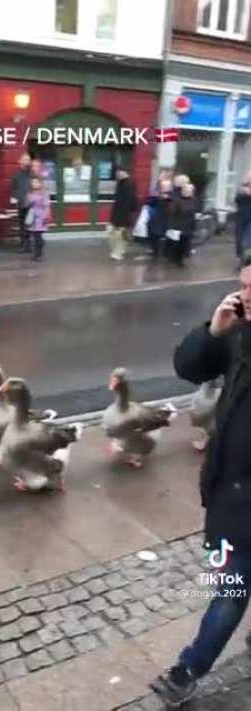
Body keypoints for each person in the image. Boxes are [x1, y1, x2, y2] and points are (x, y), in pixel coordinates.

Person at [151, 255, 251, 707]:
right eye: (243, 285)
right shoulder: (236, 330)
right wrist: (214, 331)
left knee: (232, 589)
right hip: (230, 487)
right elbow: (189, 368)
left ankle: (186, 671)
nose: (246, 295)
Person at [109, 168, 137, 261]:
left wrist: (124, 217)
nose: (117, 175)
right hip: (119, 214)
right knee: (117, 234)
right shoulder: (121, 183)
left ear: (125, 172)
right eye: (117, 173)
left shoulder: (129, 184)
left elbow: (128, 202)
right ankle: (119, 251)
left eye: (119, 173)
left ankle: (118, 253)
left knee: (119, 235)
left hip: (123, 215)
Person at [167, 181, 198, 267]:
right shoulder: (177, 200)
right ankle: (176, 260)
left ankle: (180, 259)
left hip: (189, 225)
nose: (187, 192)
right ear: (182, 191)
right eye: (186, 190)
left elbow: (195, 210)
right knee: (178, 244)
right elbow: (171, 212)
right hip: (178, 225)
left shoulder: (194, 200)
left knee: (186, 243)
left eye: (189, 191)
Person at [25, 176, 50, 262]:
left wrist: (46, 216)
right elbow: (27, 203)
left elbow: (47, 205)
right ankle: (37, 252)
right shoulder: (30, 193)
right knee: (35, 236)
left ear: (40, 183)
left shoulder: (44, 193)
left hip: (41, 215)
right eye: (33, 182)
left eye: (36, 182)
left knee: (38, 235)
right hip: (32, 215)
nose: (34, 184)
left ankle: (37, 254)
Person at [10, 153, 32, 252]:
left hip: (31, 204)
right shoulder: (16, 174)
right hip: (21, 203)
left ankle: (29, 245)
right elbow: (13, 188)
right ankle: (24, 245)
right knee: (22, 225)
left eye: (28, 160)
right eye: (25, 159)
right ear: (20, 161)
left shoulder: (31, 174)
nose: (27, 161)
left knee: (30, 225)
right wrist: (16, 198)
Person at [146, 179, 172, 259]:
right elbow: (149, 203)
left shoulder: (173, 196)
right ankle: (155, 252)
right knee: (154, 236)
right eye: (164, 186)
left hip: (168, 220)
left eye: (167, 186)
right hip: (157, 220)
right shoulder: (156, 196)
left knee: (169, 236)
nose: (166, 188)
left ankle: (166, 252)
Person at [234, 181, 251, 266]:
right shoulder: (241, 190)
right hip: (241, 218)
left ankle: (247, 261)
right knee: (239, 239)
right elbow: (236, 200)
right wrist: (244, 193)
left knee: (248, 241)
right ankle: (240, 259)